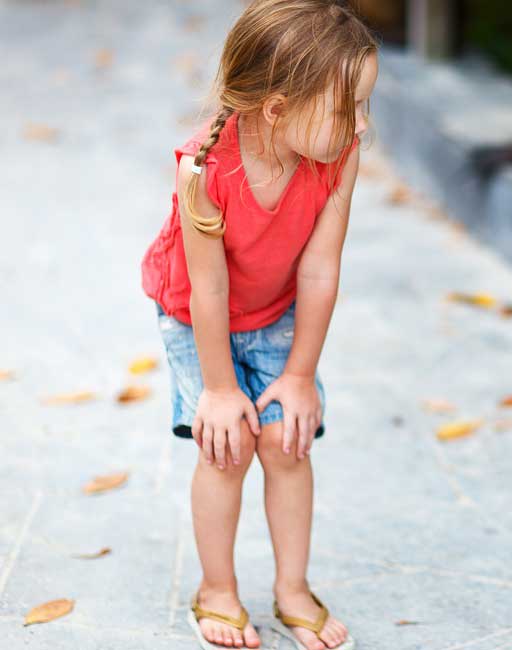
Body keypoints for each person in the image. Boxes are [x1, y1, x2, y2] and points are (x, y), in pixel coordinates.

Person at [139, 1, 378, 648]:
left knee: (286, 441)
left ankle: (292, 588)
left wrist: (300, 376)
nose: (363, 123)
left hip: (276, 309)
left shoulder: (338, 153)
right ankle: (217, 588)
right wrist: (220, 391)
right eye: (348, 107)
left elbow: (321, 269)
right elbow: (207, 286)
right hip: (196, 313)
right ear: (277, 108)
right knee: (229, 445)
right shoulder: (203, 168)